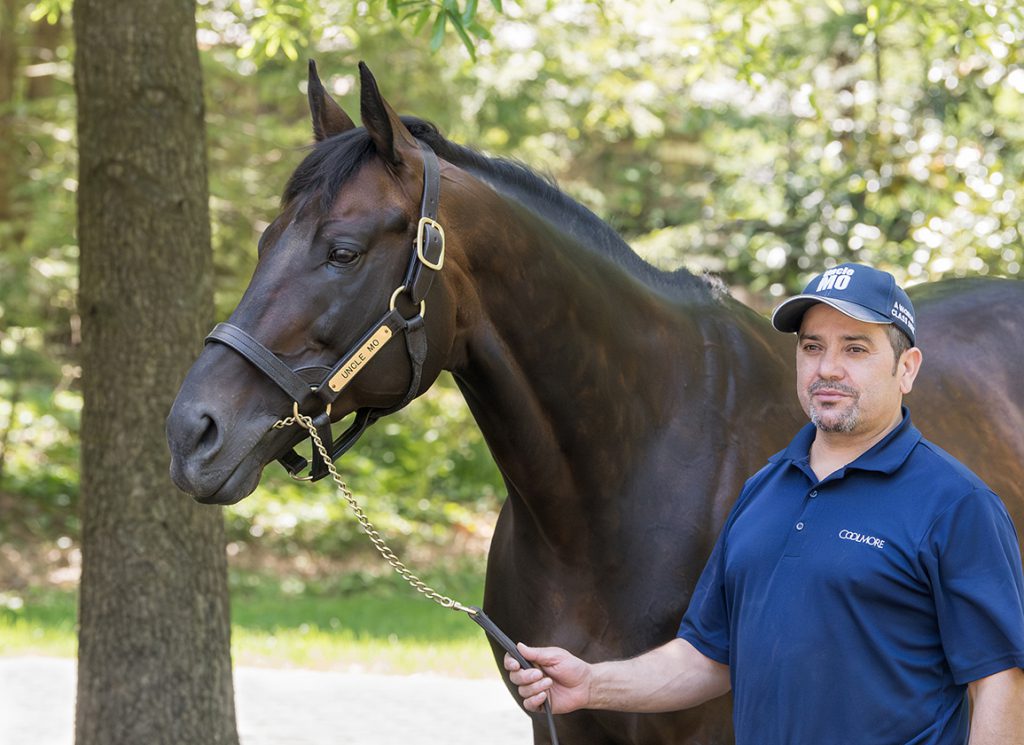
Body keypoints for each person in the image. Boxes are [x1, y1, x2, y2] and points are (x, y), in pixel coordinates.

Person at [505, 263, 1024, 744]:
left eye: (856, 349)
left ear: (906, 368)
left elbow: (999, 684)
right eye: (812, 347)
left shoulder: (957, 504)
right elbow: (707, 658)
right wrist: (592, 683)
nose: (829, 369)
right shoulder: (764, 490)